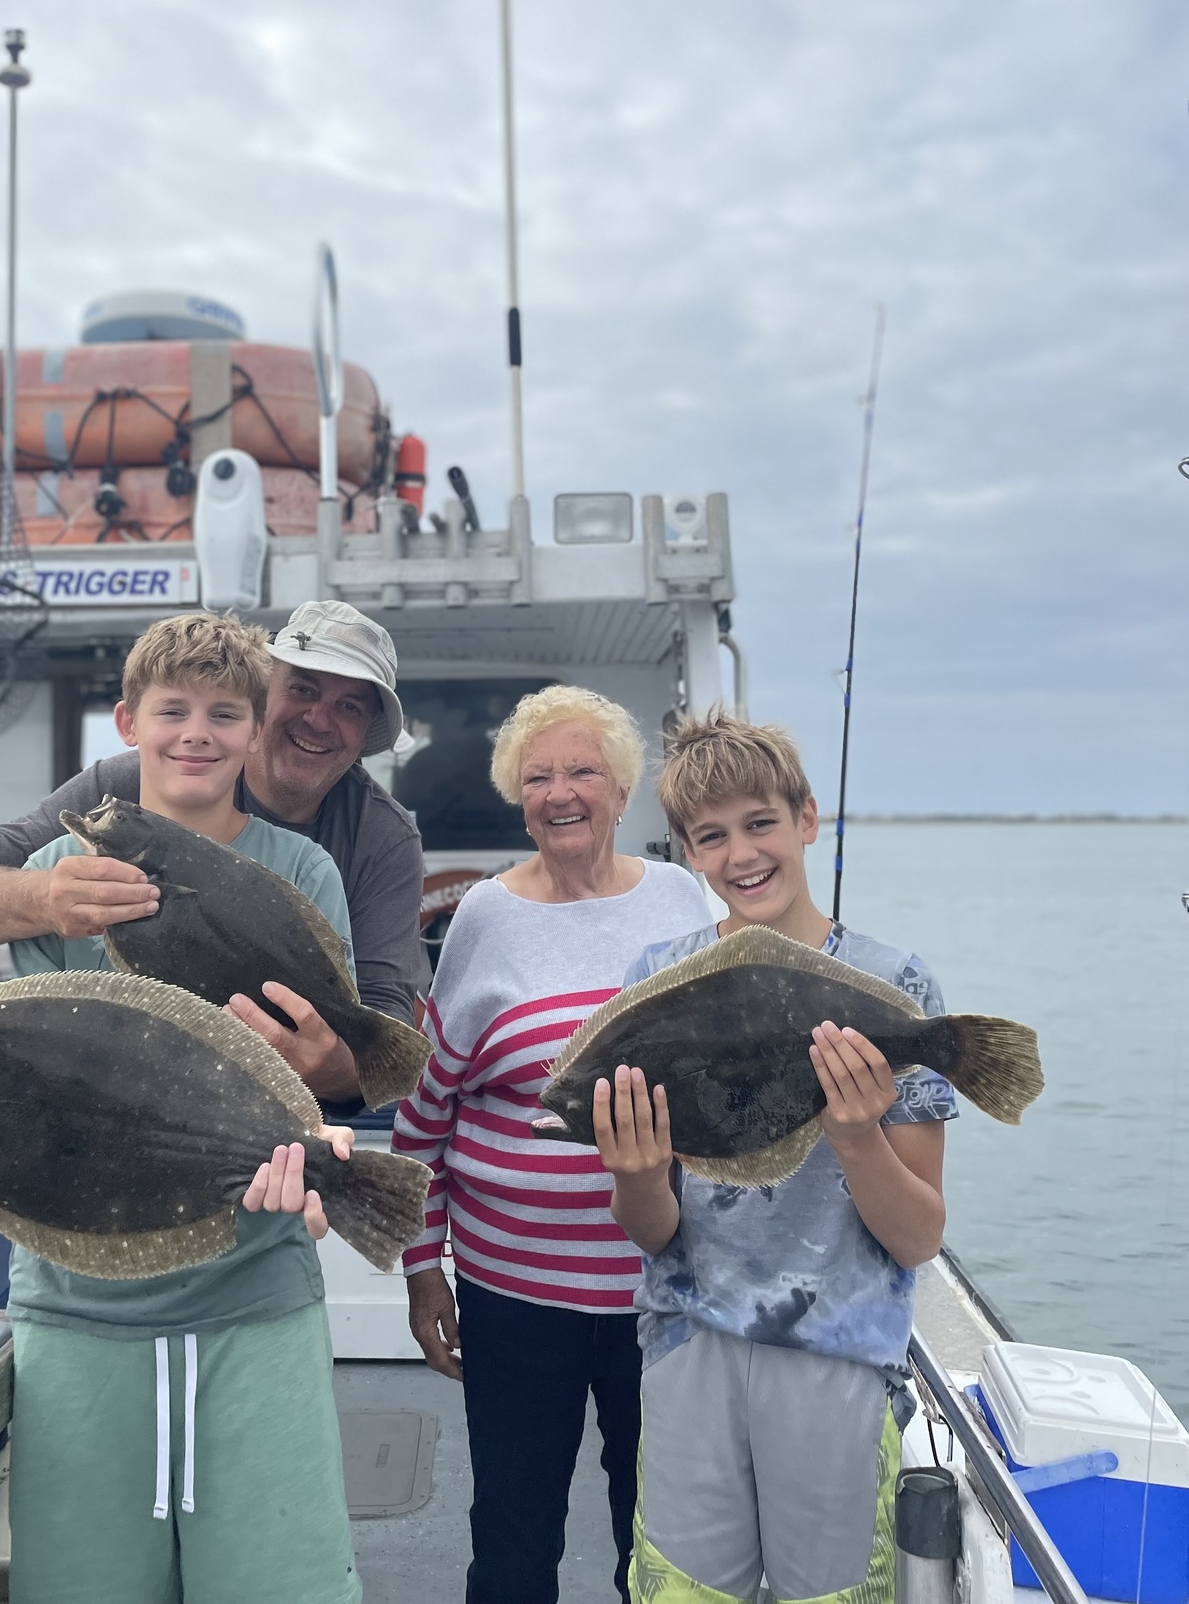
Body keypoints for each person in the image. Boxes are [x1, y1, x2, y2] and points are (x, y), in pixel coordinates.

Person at [0, 613, 368, 1604]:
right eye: (173, 710)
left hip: (253, 1292)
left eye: (225, 712)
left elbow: (323, 1060)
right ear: (127, 721)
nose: (198, 732)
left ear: (256, 728)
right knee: (83, 1583)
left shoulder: (303, 873)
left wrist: (315, 1117)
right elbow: (27, 1072)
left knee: (280, 1581)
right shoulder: (58, 880)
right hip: (74, 1304)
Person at [598, 711, 956, 1604]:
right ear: (687, 852)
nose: (740, 854)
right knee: (683, 1590)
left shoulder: (893, 987)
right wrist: (636, 1174)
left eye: (760, 823)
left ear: (807, 817)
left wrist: (856, 1134)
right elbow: (652, 1231)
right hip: (688, 1341)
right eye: (711, 837)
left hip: (839, 1355)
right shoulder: (656, 977)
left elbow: (917, 1239)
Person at [391, 686, 707, 1604]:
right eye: (538, 777)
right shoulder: (486, 916)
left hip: (664, 1289)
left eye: (581, 772)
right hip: (513, 1294)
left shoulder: (685, 899)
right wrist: (422, 1270)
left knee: (657, 1537)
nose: (560, 792)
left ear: (620, 789)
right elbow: (426, 1112)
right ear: (517, 796)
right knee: (514, 1539)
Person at [0, 597, 422, 1101]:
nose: (319, 719)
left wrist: (331, 1067)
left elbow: (379, 1032)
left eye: (350, 705)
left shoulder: (375, 840)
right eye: (303, 690)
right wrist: (42, 899)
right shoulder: (121, 788)